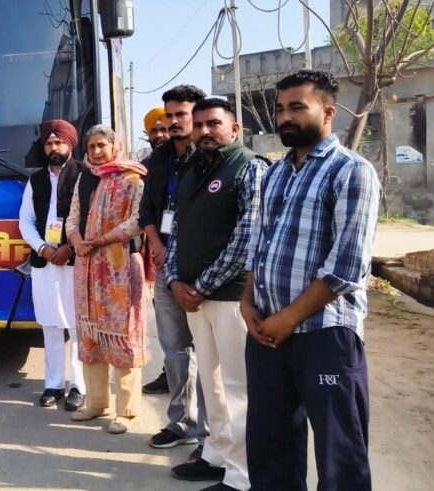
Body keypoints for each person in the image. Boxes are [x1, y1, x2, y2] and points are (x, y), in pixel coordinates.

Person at [243, 70, 379, 490]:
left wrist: (288, 318)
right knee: (270, 448)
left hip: (324, 334)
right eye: (281, 109)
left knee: (340, 456)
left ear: (328, 112)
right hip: (267, 333)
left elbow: (346, 266)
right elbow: (258, 242)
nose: (285, 117)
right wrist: (247, 303)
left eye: (297, 107)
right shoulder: (276, 174)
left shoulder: (351, 171)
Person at [165, 98, 268, 490]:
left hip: (230, 299)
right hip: (194, 298)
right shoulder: (192, 170)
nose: (205, 131)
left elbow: (247, 238)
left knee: (238, 388)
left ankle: (243, 477)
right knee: (212, 385)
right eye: (199, 125)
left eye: (214, 124)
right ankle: (217, 456)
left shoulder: (249, 168)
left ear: (235, 129)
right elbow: (175, 232)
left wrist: (201, 285)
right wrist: (174, 280)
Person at [139, 85, 209, 458]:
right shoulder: (159, 158)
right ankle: (182, 422)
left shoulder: (210, 157)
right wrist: (155, 243)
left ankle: (211, 439)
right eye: (169, 115)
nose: (173, 122)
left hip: (200, 270)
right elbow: (147, 210)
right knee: (174, 351)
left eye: (181, 114)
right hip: (165, 264)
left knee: (208, 355)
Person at [65, 124, 148, 434]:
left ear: (115, 146)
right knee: (90, 336)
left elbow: (138, 220)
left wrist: (102, 240)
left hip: (120, 268)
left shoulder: (132, 178)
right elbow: (72, 216)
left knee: (123, 337)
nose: (97, 151)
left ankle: (126, 411)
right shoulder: (85, 178)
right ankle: (96, 403)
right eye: (92, 147)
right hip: (86, 268)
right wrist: (75, 240)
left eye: (102, 145)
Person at [18, 119, 86, 411]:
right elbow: (25, 220)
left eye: (59, 142)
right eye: (49, 143)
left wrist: (69, 247)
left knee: (78, 324)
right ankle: (54, 384)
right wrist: (43, 248)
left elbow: (90, 218)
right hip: (45, 262)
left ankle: (79, 385)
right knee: (50, 323)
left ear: (70, 144)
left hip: (75, 260)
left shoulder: (85, 174)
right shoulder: (36, 180)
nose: (54, 147)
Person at [140, 104, 172, 395]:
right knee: (165, 319)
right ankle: (169, 373)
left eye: (164, 129)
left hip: (189, 251)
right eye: (154, 130)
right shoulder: (144, 167)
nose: (160, 135)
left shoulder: (190, 160)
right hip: (155, 249)